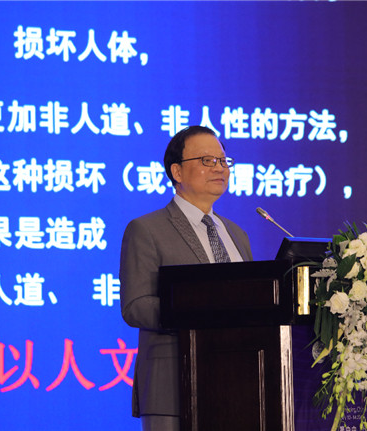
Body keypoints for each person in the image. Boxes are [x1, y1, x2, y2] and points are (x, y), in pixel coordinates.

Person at [119, 125, 253, 431]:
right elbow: (136, 306)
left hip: (239, 385)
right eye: (207, 160)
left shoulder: (237, 234)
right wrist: (201, 310)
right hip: (173, 387)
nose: (219, 168)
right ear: (177, 171)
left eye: (223, 161)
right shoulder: (147, 229)